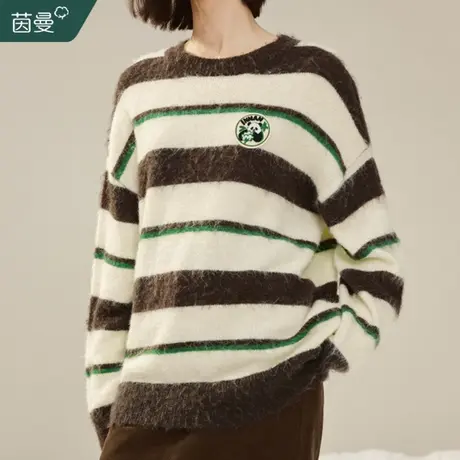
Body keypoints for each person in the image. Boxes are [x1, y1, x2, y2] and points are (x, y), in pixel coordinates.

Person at [84, 0, 404, 459]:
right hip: (147, 405)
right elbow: (115, 259)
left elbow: (377, 260)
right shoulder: (141, 88)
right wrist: (107, 405)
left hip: (270, 403)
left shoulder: (311, 81)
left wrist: (316, 358)